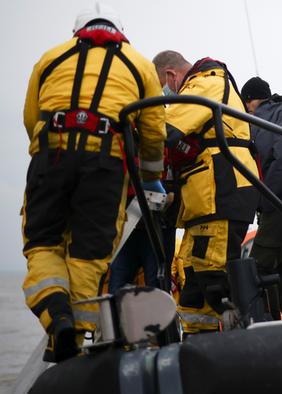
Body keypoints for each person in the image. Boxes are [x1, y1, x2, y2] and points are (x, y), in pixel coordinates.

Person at [22, 4, 165, 362]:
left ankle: (56, 316)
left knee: (43, 242)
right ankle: (77, 337)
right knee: (90, 253)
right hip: (106, 162)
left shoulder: (50, 58)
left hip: (50, 157)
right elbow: (153, 130)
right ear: (121, 33)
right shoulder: (139, 64)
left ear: (77, 32)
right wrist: (148, 177)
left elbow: (30, 117)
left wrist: (49, 156)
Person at [154, 50, 259, 334]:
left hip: (224, 188)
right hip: (204, 197)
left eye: (163, 87)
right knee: (190, 271)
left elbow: (166, 128)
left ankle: (248, 335)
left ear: (170, 75)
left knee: (212, 268)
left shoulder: (206, 82)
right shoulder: (197, 87)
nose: (167, 95)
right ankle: (199, 341)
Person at [240, 76, 282, 319]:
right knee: (280, 264)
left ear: (248, 101)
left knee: (256, 267)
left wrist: (265, 198)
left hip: (281, 203)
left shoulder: (273, 117)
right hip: (280, 203)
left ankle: (264, 323)